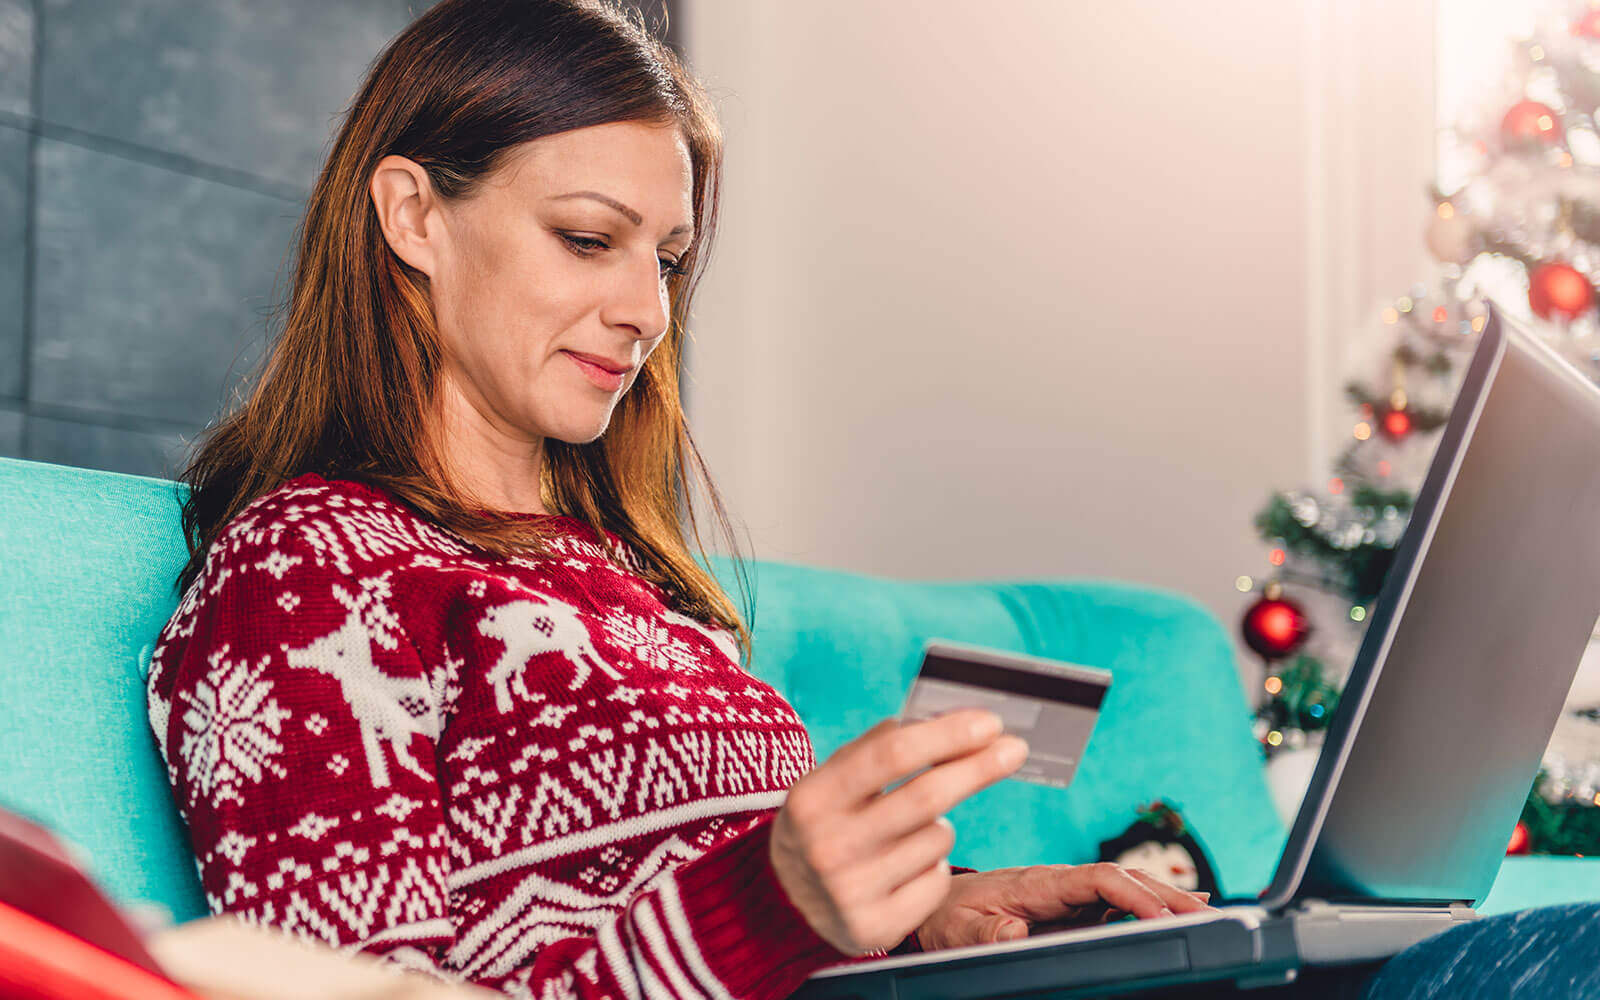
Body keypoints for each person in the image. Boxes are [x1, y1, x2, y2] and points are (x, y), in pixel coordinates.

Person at [143, 1, 1213, 997]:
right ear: (415, 216)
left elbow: (693, 895)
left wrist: (925, 907)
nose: (646, 312)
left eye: (667, 260)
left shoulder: (631, 581)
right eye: (587, 239)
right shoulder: (308, 574)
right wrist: (772, 904)